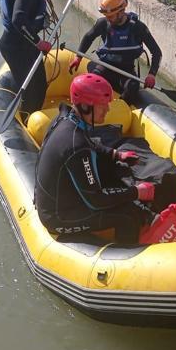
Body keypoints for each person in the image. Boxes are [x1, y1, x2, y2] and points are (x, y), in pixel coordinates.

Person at [34, 74, 156, 244]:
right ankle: (125, 259)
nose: (107, 109)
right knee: (127, 216)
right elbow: (96, 201)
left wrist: (116, 154)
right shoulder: (76, 145)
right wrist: (137, 192)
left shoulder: (66, 118)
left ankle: (147, 216)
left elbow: (91, 145)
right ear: (85, 106)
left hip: (59, 198)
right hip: (57, 216)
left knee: (111, 170)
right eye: (102, 105)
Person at [69, 0, 163, 104]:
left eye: (110, 16)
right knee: (90, 84)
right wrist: (78, 57)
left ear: (121, 11)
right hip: (105, 67)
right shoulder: (103, 24)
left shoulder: (138, 28)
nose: (108, 18)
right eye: (106, 16)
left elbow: (156, 52)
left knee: (133, 87)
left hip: (126, 70)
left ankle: (119, 110)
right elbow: (88, 37)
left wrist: (151, 74)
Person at [0, 0, 54, 115]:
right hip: (16, 47)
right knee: (31, 92)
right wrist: (38, 42)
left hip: (25, 44)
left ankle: (32, 116)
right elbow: (18, 19)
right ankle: (27, 121)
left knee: (41, 86)